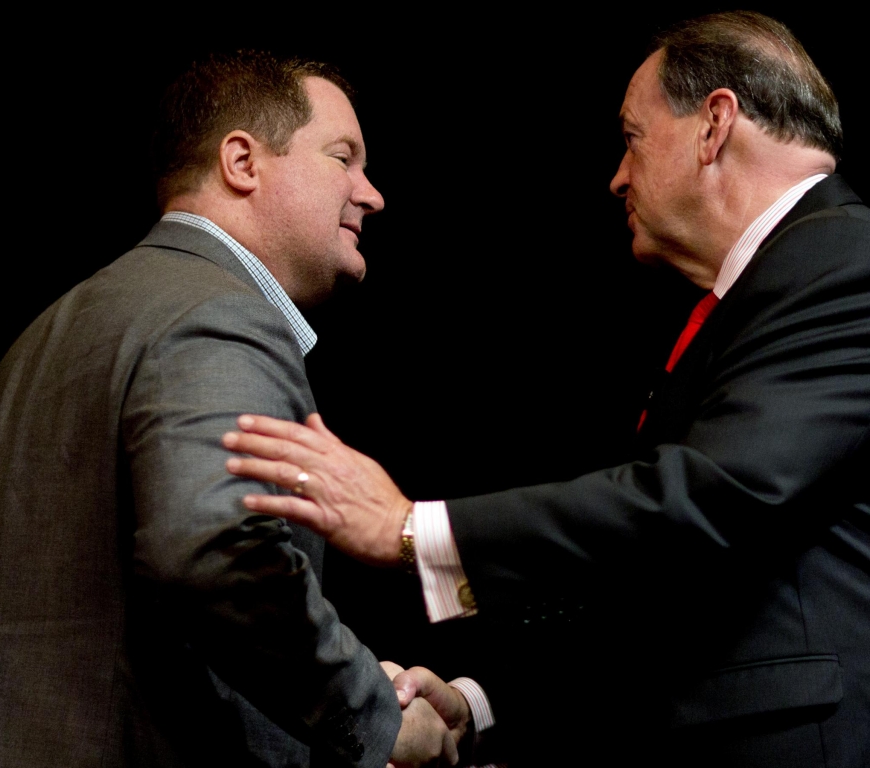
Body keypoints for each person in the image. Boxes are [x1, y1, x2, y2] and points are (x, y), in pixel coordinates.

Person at [222, 13, 870, 768]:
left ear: (714, 126)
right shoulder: (780, 280)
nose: (618, 176)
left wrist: (409, 528)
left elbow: (712, 495)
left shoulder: (843, 261)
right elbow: (663, 587)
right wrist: (478, 706)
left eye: (631, 137)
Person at [0, 51, 465, 768]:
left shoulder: (59, 323)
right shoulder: (219, 316)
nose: (371, 193)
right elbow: (217, 558)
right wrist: (373, 715)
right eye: (343, 158)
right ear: (242, 163)